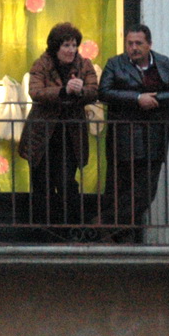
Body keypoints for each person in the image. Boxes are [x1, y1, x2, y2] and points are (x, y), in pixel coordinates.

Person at [97, 24, 169, 242]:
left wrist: (156, 100)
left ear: (149, 44)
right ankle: (121, 237)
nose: (133, 48)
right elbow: (104, 92)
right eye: (130, 43)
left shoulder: (165, 64)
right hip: (123, 137)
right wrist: (138, 99)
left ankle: (105, 224)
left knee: (146, 191)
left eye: (138, 43)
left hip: (155, 137)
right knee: (120, 188)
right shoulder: (114, 64)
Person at [18, 22, 98, 238]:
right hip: (42, 135)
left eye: (74, 45)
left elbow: (94, 90)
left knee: (66, 182)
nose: (71, 50)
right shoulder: (41, 64)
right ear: (55, 47)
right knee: (41, 183)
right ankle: (42, 232)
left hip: (70, 135)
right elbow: (35, 91)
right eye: (66, 45)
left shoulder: (84, 65)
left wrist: (81, 91)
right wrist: (63, 91)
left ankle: (69, 231)